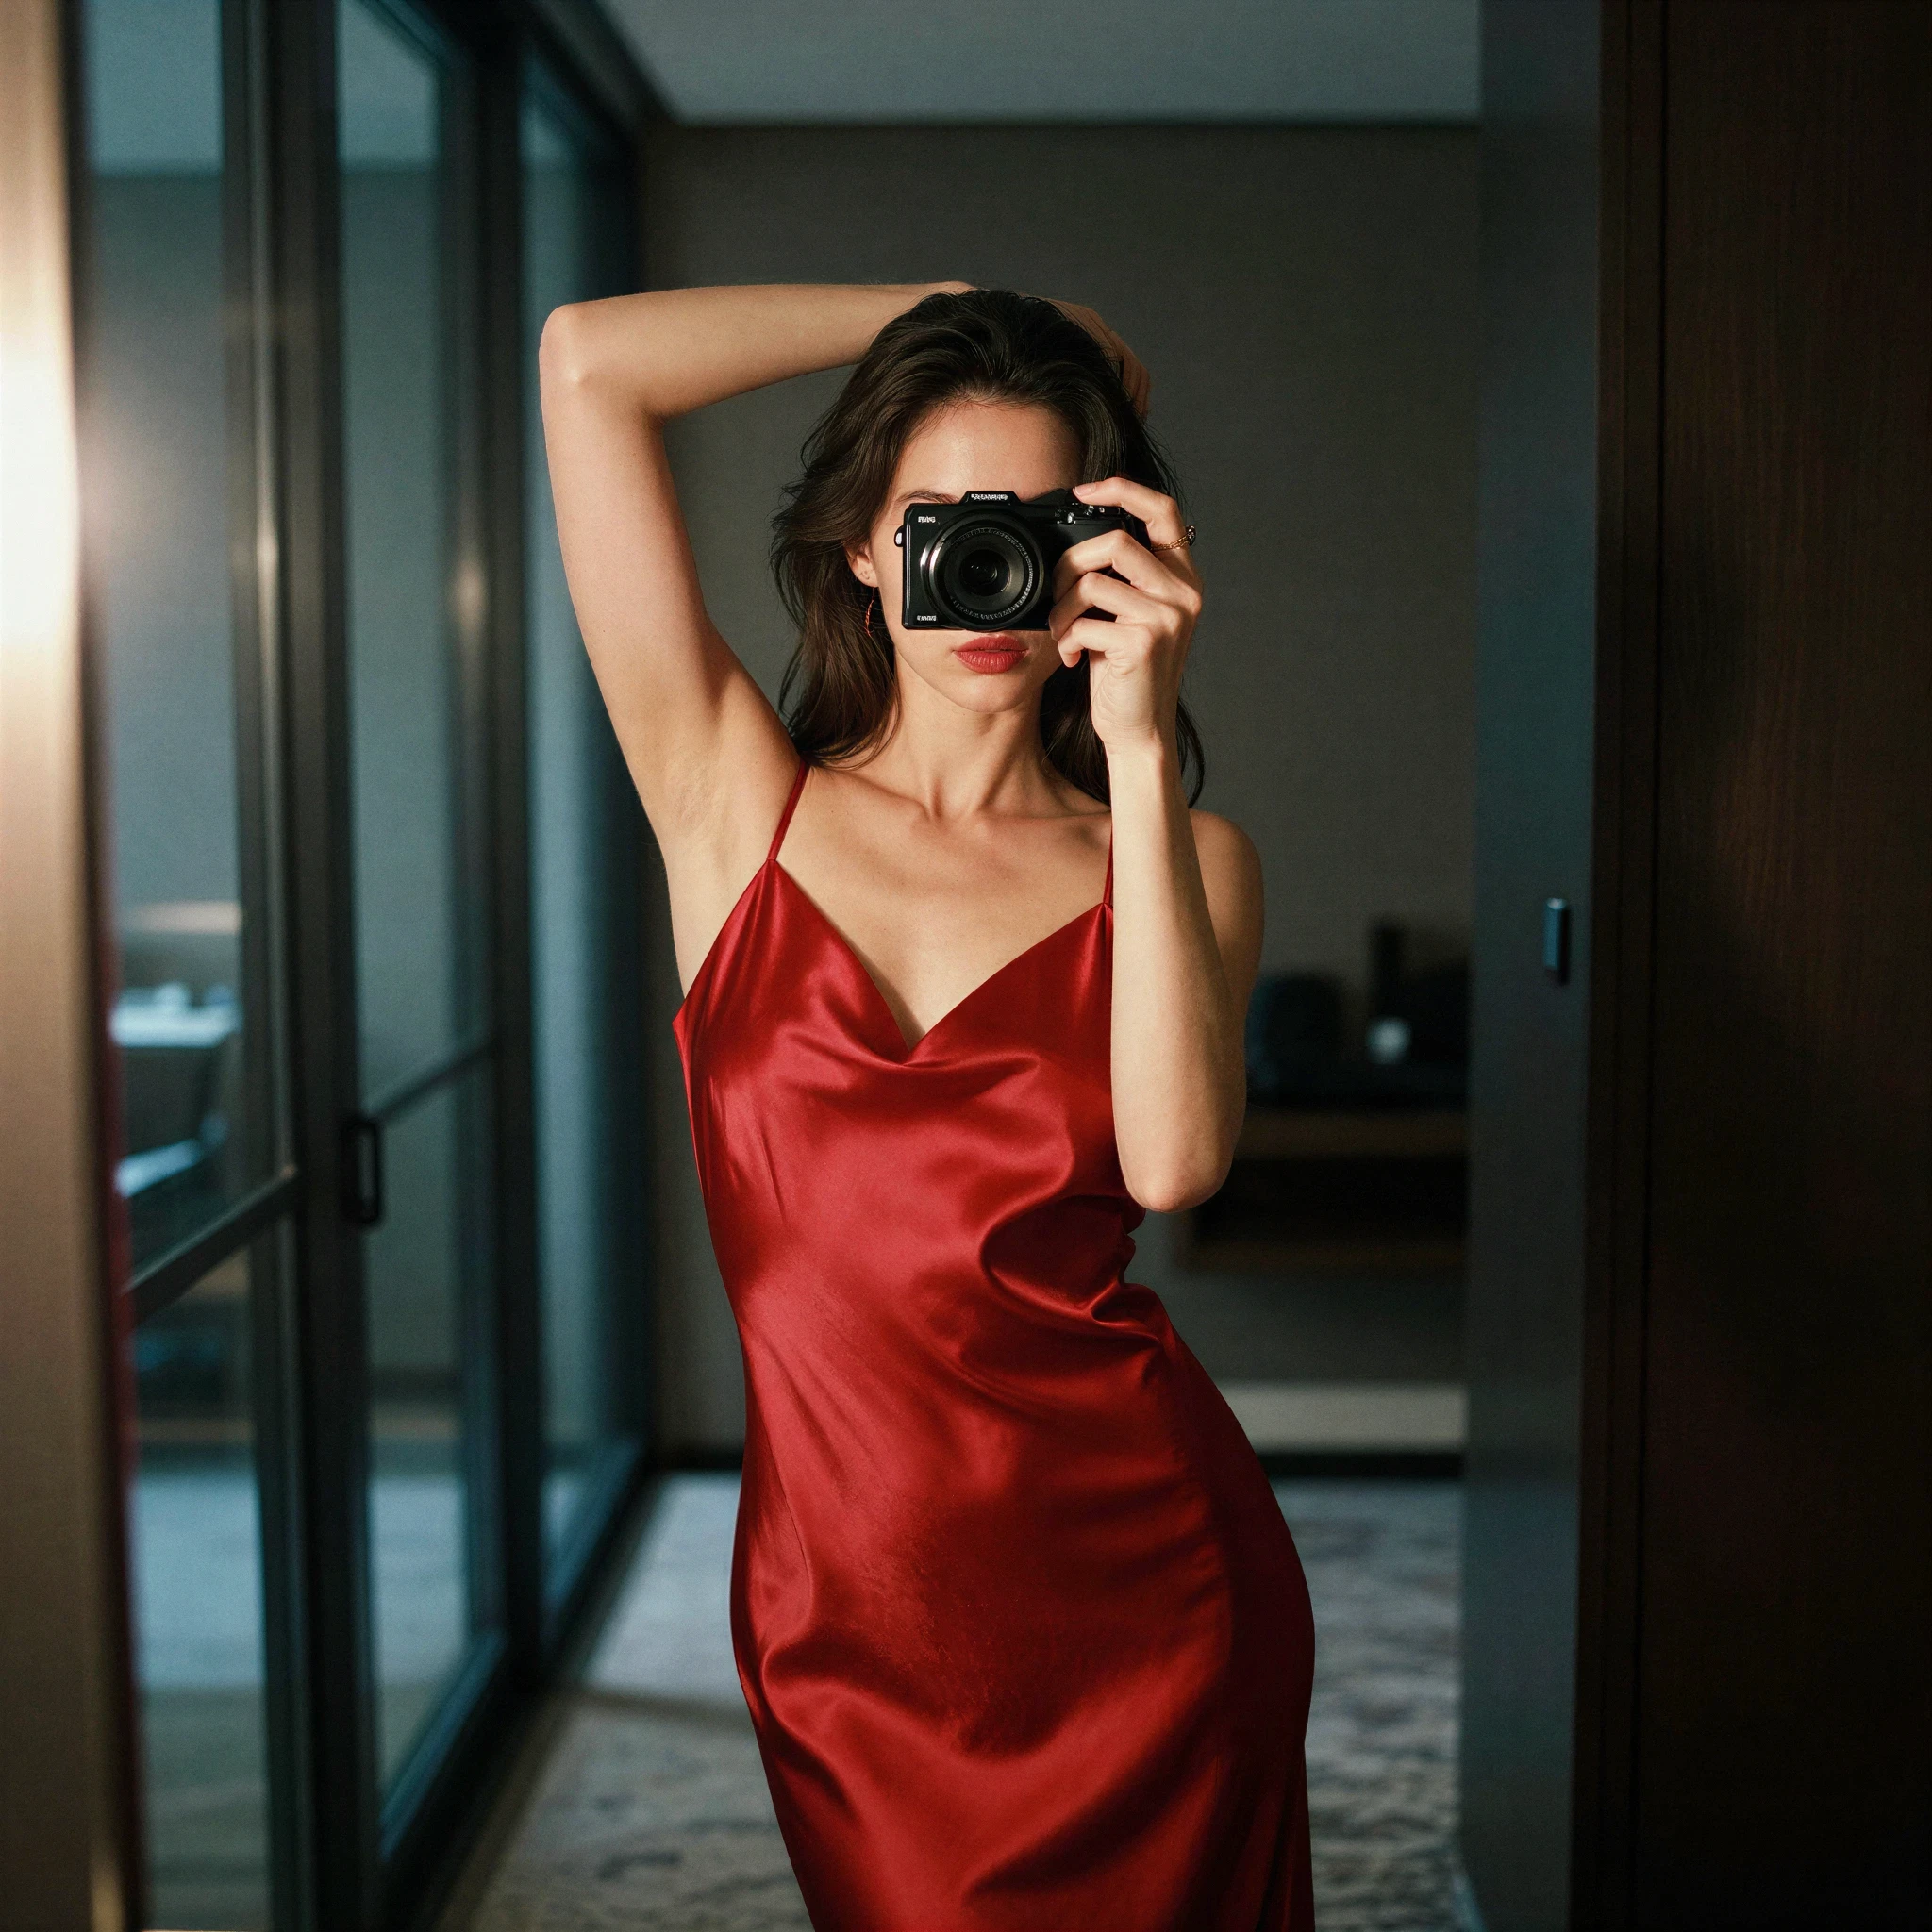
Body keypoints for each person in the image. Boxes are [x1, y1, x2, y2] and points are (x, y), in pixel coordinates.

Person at [538, 282, 1315, 1929]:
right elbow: (586, 363)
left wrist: (1139, 731)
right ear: (859, 549)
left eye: (1035, 523)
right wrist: (956, 310)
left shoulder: (1177, 861)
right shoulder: (731, 805)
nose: (988, 569)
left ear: (1110, 553)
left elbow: (1174, 1164)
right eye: (941, 519)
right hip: (854, 1628)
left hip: (1152, 1598)